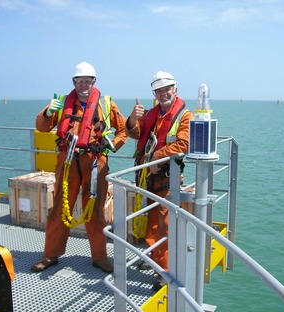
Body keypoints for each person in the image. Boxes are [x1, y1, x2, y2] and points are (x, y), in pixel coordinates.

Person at [31, 61, 128, 273]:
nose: (83, 84)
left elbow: (123, 132)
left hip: (95, 162)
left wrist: (113, 145)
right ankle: (50, 255)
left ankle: (100, 257)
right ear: (74, 82)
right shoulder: (62, 103)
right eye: (79, 81)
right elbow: (42, 127)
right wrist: (48, 113)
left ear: (94, 82)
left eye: (87, 81)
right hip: (67, 161)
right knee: (59, 207)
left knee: (95, 210)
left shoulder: (107, 104)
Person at [126, 71, 194, 291]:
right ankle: (153, 258)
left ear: (175, 90)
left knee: (164, 223)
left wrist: (157, 157)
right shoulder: (151, 114)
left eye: (167, 89)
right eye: (159, 90)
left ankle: (164, 271)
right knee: (149, 217)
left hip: (167, 177)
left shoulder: (185, 116)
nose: (163, 94)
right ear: (154, 93)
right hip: (146, 176)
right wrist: (132, 119)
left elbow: (184, 144)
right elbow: (136, 135)